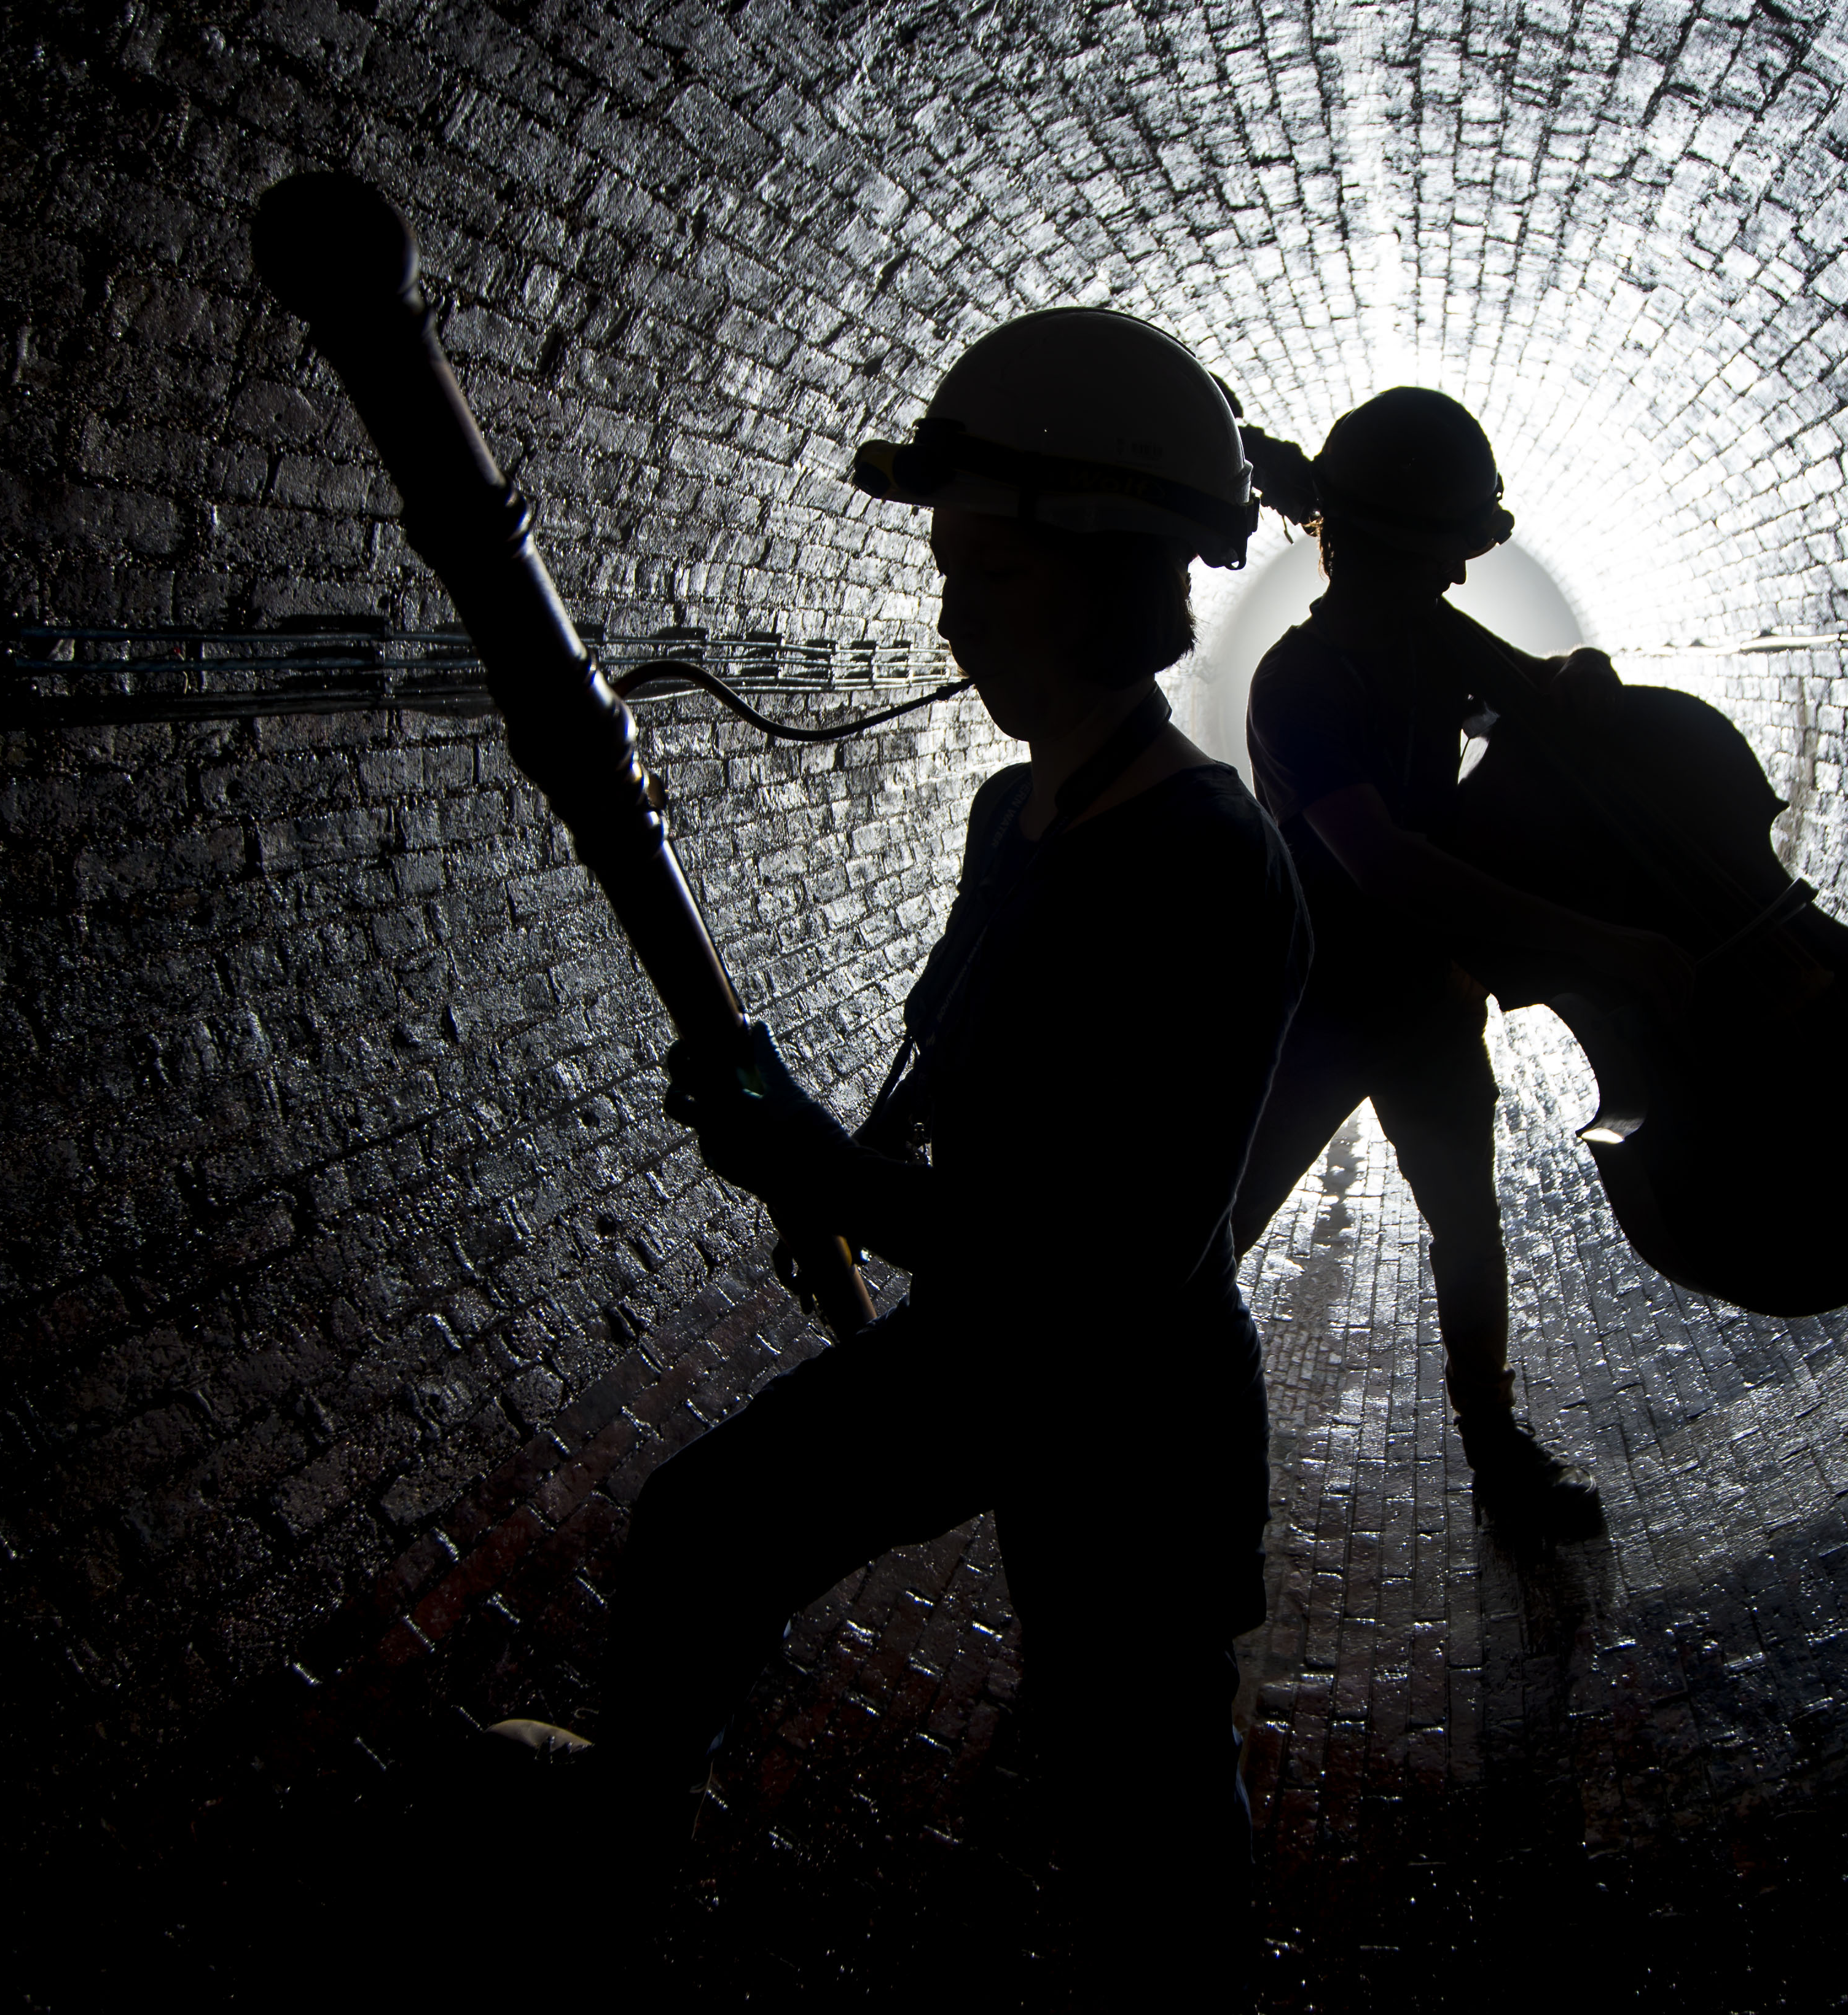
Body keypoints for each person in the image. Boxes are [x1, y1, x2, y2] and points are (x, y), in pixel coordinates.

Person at [483, 308, 1309, 2001]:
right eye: (949, 570)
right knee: (704, 1531)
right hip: (993, 1346)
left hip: (1130, 1406)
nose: (951, 614)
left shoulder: (1205, 868)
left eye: (987, 573)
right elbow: (962, 1060)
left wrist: (828, 1178)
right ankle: (620, 1837)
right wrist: (844, 1143)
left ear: (1107, 581)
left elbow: (1115, 1256)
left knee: (1141, 1784)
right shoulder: (1015, 814)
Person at [1228, 389, 1689, 1536]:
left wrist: (1575, 675)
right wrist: (1601, 942)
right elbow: (1388, 864)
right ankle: (1131, 1422)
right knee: (1219, 1228)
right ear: (1374, 546)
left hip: (1423, 1001)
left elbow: (1535, 693)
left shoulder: (1427, 648)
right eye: (1440, 551)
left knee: (1468, 1231)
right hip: (1312, 1007)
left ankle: (1497, 1453)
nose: (1457, 576)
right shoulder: (1299, 683)